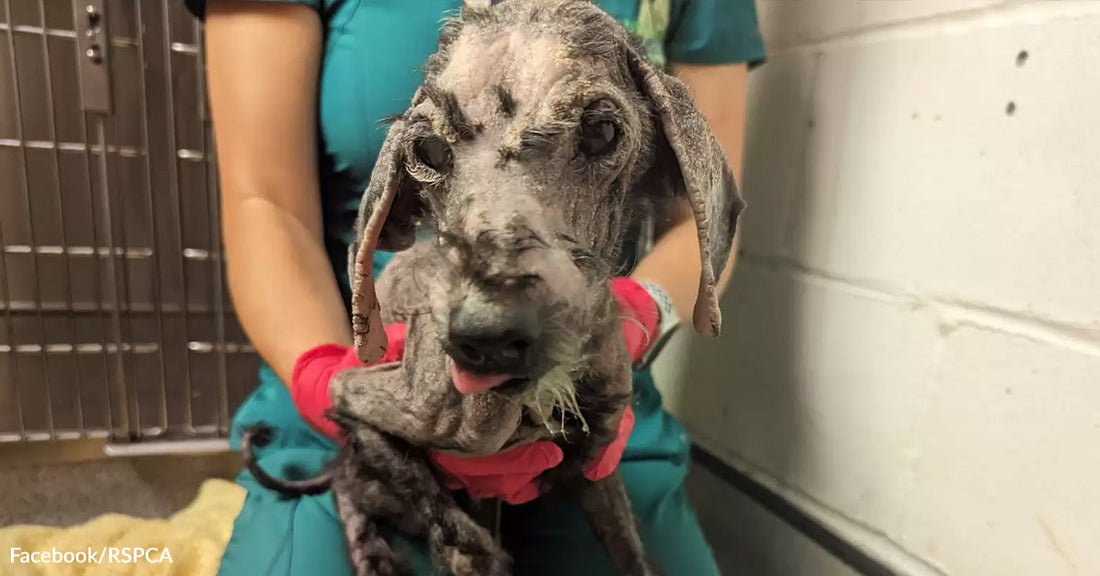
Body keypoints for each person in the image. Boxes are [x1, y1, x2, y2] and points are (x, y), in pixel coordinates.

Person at [185, 1, 765, 574]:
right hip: (356, 363)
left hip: (596, 380)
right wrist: (324, 378)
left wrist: (641, 313)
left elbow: (701, 214)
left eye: (599, 133)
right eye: (432, 151)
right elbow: (266, 205)